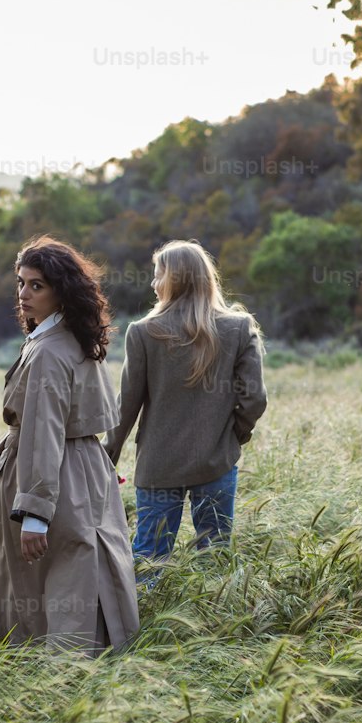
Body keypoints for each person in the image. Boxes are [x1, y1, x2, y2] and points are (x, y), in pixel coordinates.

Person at [0, 236, 140, 655]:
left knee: (61, 574)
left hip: (56, 472)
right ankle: (96, 661)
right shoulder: (73, 336)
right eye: (21, 283)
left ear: (60, 290)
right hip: (84, 468)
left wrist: (35, 513)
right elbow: (40, 420)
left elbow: (45, 431)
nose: (23, 295)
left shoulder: (50, 349)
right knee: (85, 565)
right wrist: (2, 451)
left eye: (36, 286)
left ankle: (61, 672)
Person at [103, 239, 267, 586]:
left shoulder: (143, 332)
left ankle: (134, 632)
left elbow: (126, 405)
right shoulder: (238, 328)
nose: (153, 283)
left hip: (159, 465)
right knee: (214, 558)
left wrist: (108, 456)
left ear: (176, 279)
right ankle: (214, 629)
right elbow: (254, 399)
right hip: (216, 463)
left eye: (158, 274)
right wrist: (231, 436)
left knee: (149, 559)